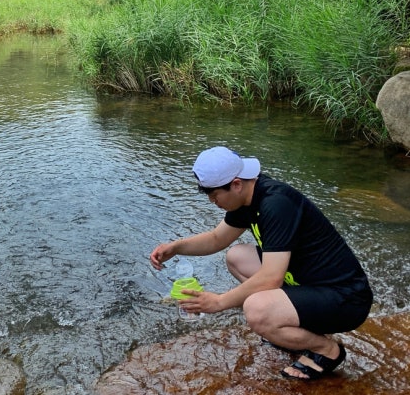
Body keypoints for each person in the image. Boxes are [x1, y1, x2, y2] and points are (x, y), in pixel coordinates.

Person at [149, 145, 373, 381]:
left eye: (215, 196)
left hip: (346, 299)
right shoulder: (246, 197)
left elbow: (271, 277)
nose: (213, 202)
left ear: (235, 184)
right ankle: (287, 322)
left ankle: (326, 350)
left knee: (256, 310)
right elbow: (217, 239)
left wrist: (218, 302)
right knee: (237, 257)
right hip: (309, 284)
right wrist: (176, 247)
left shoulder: (276, 204)